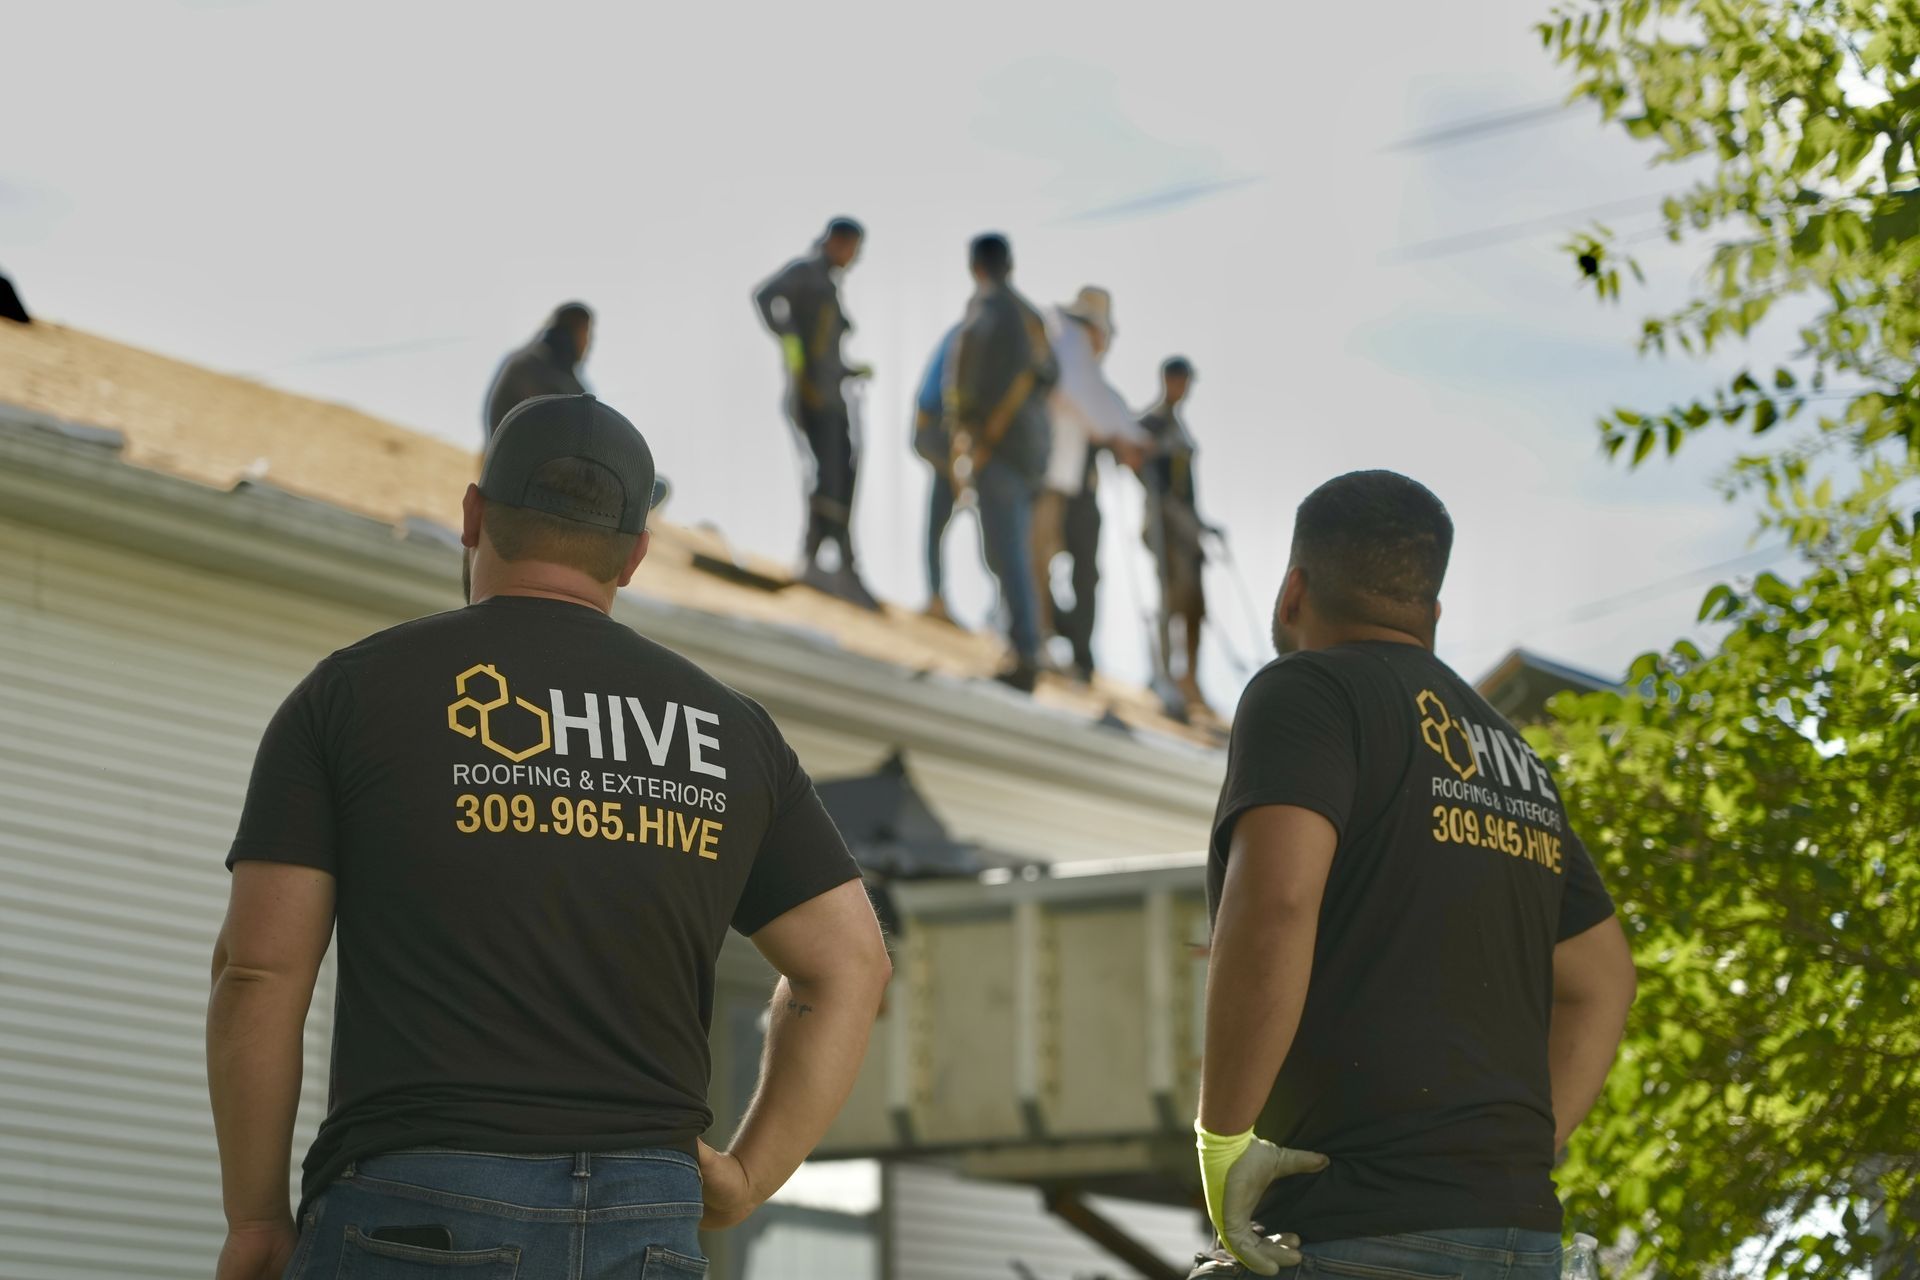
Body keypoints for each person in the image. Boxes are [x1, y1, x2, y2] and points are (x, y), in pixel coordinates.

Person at [206, 393, 892, 1280]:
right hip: (646, 1220)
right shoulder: (729, 733)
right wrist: (750, 1175)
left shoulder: (352, 695)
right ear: (636, 555)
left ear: (473, 514)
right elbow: (850, 965)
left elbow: (258, 969)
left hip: (417, 1205)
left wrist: (256, 1220)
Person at [1192, 470, 1636, 1278]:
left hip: (1359, 1225)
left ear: (1294, 591)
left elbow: (1278, 904)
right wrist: (1511, 1158)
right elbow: (1604, 980)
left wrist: (1221, 1141)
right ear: (1430, 613)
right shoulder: (1515, 761)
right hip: (1519, 1235)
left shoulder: (1307, 691)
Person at [947, 232, 1056, 692]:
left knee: (1006, 553)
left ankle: (1026, 654)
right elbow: (1051, 376)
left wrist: (971, 434)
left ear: (976, 267)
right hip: (1031, 449)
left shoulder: (989, 308)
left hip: (1001, 448)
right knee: (1011, 551)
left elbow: (971, 379)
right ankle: (1025, 647)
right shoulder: (1031, 316)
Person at [753, 217, 877, 608]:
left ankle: (834, 561)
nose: (855, 258)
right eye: (853, 248)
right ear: (838, 242)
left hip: (831, 396)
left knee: (842, 474)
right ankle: (821, 561)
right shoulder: (806, 272)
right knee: (830, 476)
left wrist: (848, 369)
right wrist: (793, 352)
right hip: (812, 397)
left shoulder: (826, 283)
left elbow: (824, 348)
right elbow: (765, 296)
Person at [1035, 286, 1148, 680]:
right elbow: (1093, 406)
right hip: (1053, 480)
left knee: (1072, 568)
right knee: (1041, 560)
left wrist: (1122, 437)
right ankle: (1047, 636)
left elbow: (1107, 412)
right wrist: (1119, 437)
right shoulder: (1071, 348)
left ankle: (1069, 642)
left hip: (1073, 486)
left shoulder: (1083, 364)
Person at [1139, 357, 1214, 709]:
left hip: (1187, 528)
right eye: (1180, 380)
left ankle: (1190, 680)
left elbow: (1187, 489)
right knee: (1172, 598)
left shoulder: (1179, 427)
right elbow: (1143, 469)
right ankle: (1164, 674)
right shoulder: (1152, 423)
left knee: (1195, 605)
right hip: (1165, 526)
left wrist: (1202, 525)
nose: (1183, 388)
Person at [912, 323, 962, 623]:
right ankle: (936, 597)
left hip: (935, 430)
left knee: (938, 522)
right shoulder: (966, 337)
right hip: (941, 433)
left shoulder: (959, 333)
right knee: (940, 520)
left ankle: (936, 595)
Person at [483, 302, 592, 441]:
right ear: (572, 331)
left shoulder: (527, 361)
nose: (587, 343)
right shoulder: (532, 368)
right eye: (586, 334)